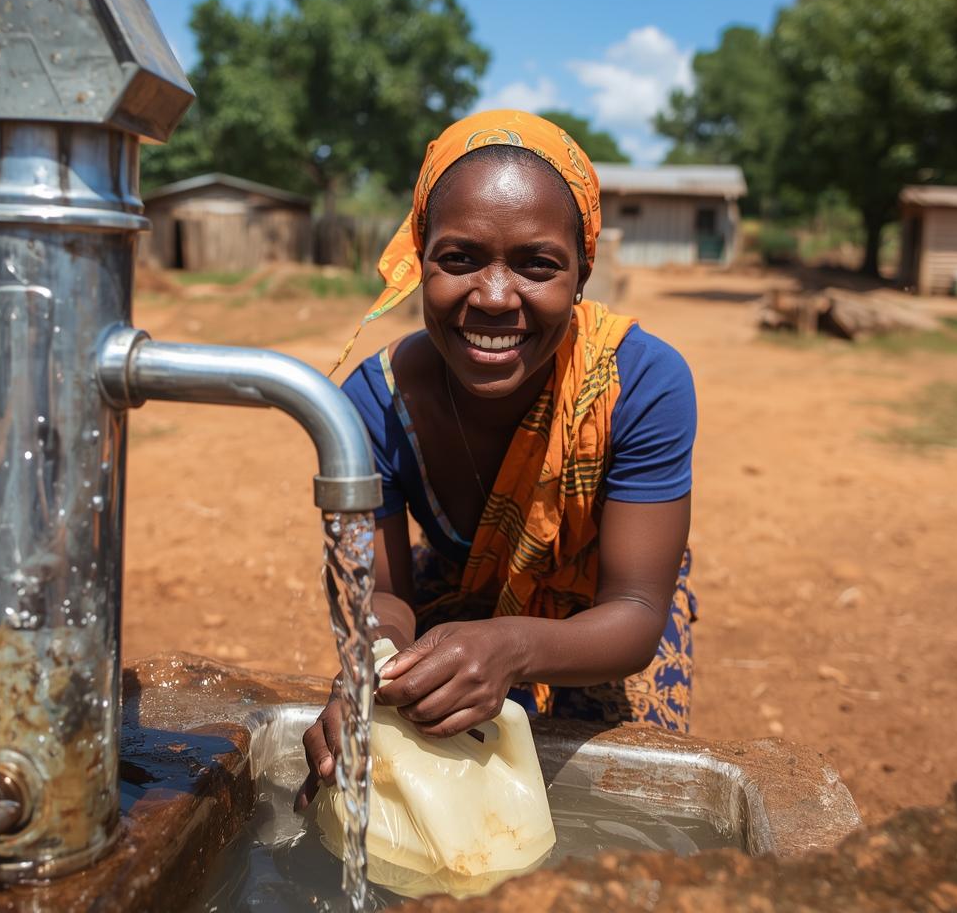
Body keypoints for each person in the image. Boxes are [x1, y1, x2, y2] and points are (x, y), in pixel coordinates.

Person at [295, 110, 696, 812]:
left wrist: (512, 646)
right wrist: (377, 665)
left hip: (598, 625)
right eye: (460, 259)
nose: (495, 295)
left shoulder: (638, 386)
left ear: (582, 273)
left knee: (614, 815)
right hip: (447, 601)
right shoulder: (369, 406)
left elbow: (636, 609)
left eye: (537, 264)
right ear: (422, 260)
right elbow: (381, 597)